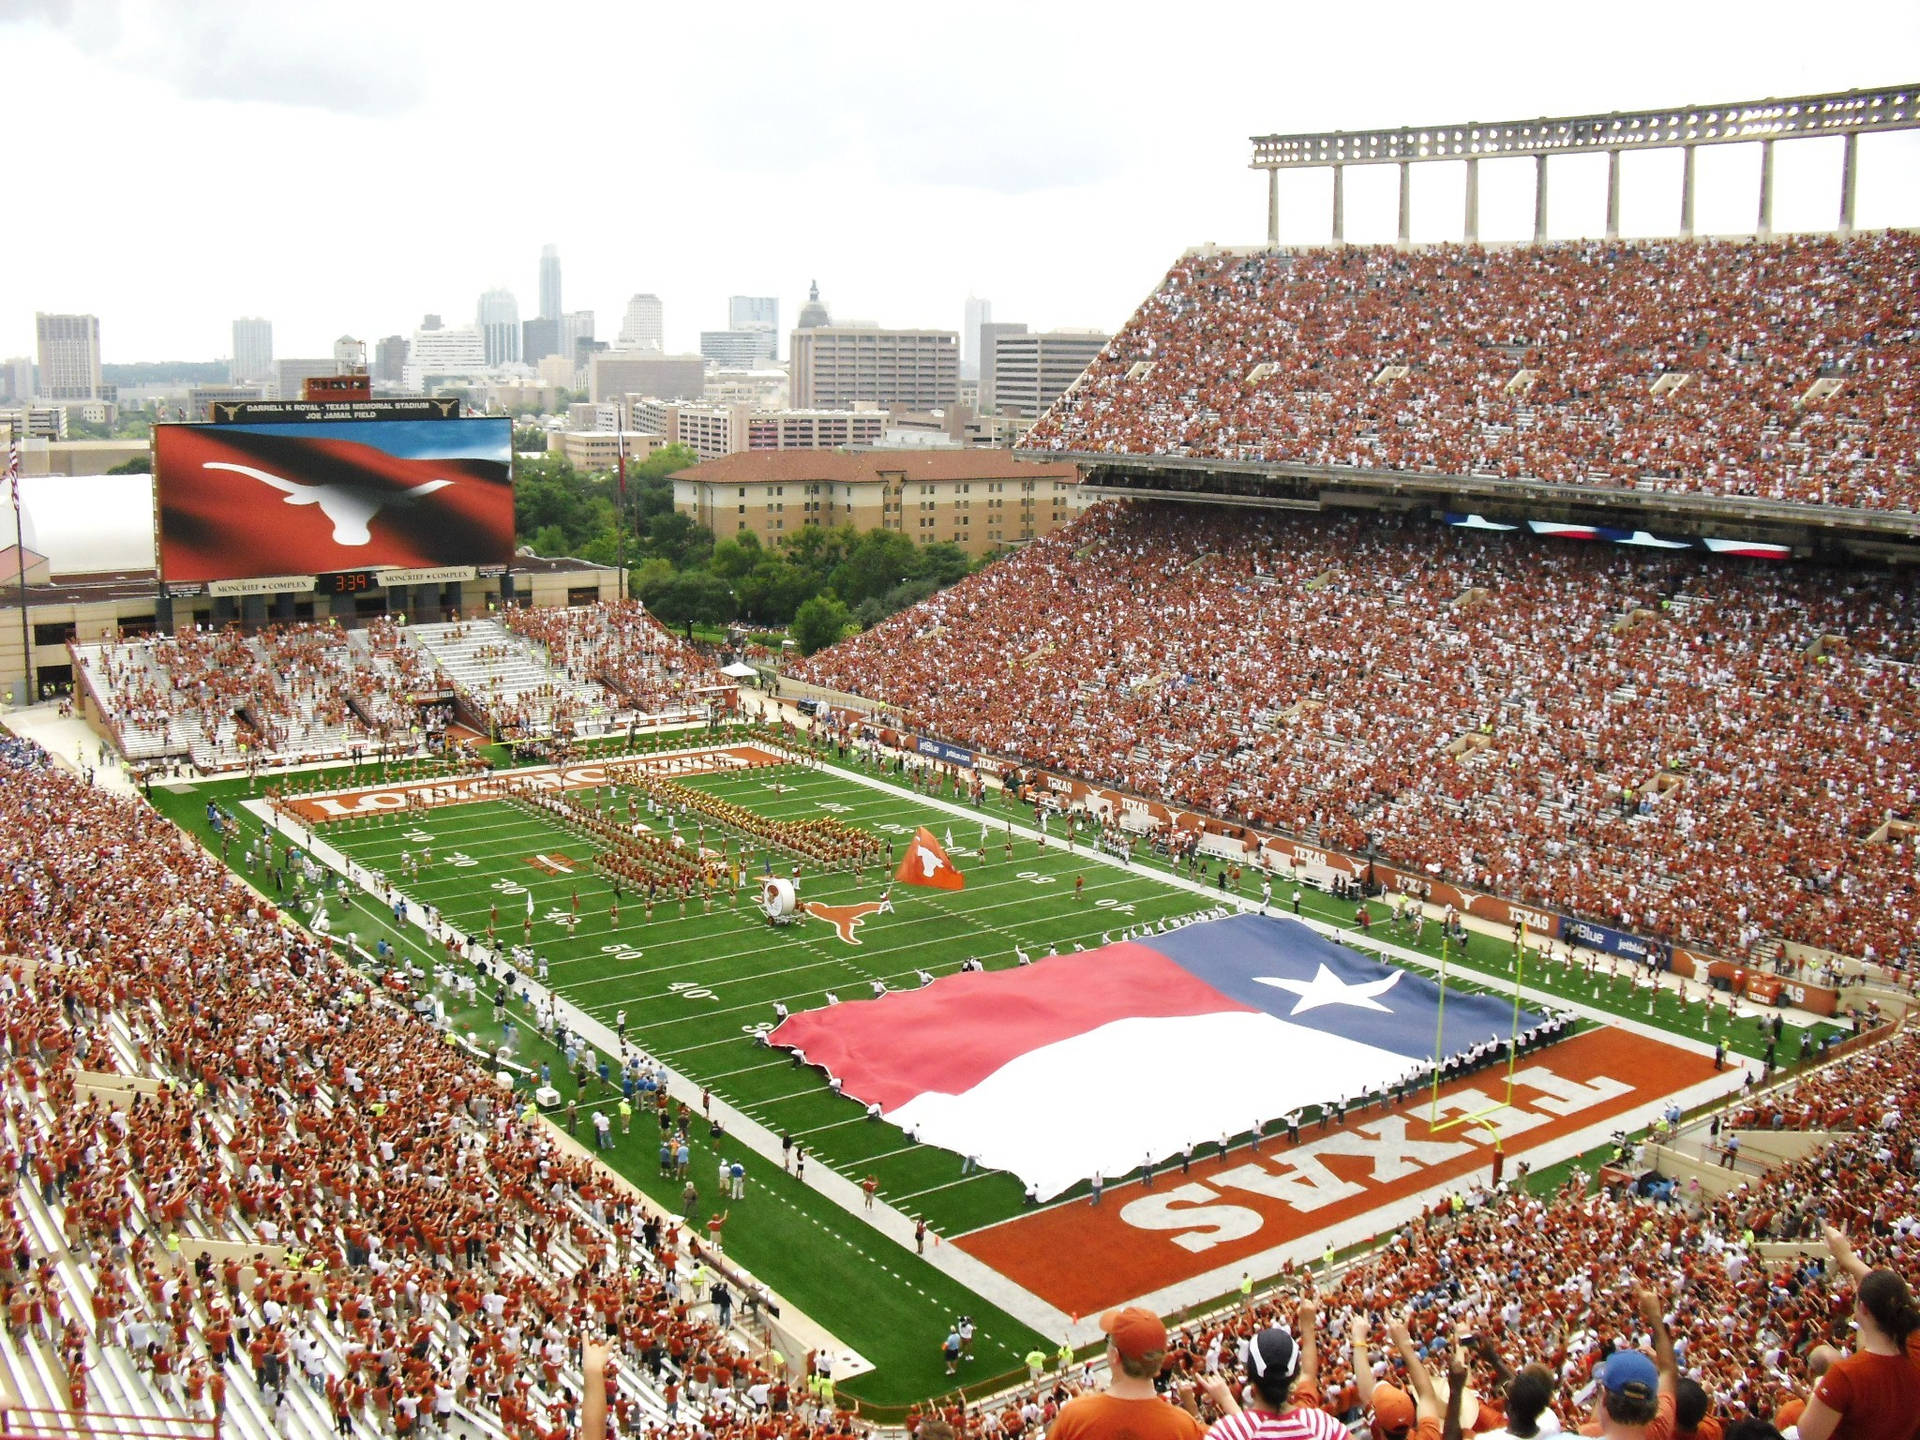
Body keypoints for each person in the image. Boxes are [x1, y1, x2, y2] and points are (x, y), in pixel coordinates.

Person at [1795, 1227, 1920, 1440]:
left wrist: (1813, 1397)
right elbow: (1888, 1293)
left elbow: (1809, 1435)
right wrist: (1847, 1257)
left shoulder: (1844, 1376)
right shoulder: (1915, 1349)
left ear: (1862, 1308)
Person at [1049, 1307, 1203, 1440]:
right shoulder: (1184, 1426)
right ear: (1158, 1364)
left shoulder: (1075, 1415)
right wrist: (1195, 1411)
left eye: (1109, 1341)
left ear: (1115, 1355)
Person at [1195, 1309, 1345, 1440]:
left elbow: (1246, 1430)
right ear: (1293, 1375)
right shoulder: (1320, 1425)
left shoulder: (1228, 1432)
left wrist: (1224, 1399)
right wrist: (1308, 1327)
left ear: (1250, 1374)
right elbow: (1308, 1375)